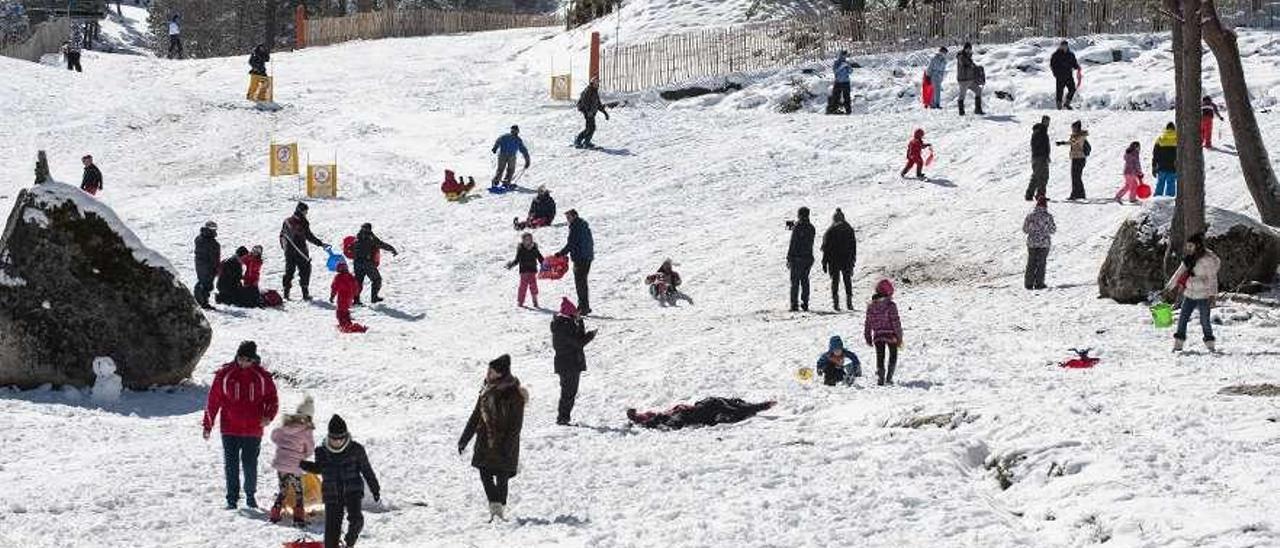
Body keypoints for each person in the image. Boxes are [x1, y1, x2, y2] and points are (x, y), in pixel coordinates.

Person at [202, 341, 279, 509]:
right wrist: (208, 425)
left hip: (253, 429)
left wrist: (268, 416)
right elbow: (213, 401)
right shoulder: (224, 374)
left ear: (254, 360)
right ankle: (232, 498)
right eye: (241, 359)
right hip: (229, 428)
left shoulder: (262, 377)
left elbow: (272, 399)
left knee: (250, 464)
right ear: (236, 357)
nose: (244, 363)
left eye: (248, 360)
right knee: (231, 464)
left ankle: (250, 495)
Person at [457, 355, 527, 522]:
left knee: (502, 476)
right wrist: (464, 439)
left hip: (505, 441)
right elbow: (475, 416)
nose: (488, 373)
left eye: (492, 370)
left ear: (500, 373)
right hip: (485, 441)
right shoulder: (486, 391)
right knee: (484, 472)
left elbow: (515, 426)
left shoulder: (514, 394)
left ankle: (499, 511)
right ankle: (495, 508)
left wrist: (507, 446)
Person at [301, 415, 381, 548]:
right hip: (331, 494)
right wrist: (301, 464)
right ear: (329, 436)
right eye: (334, 438)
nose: (337, 442)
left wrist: (375, 488)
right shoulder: (321, 451)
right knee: (331, 534)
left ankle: (348, 543)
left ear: (346, 436)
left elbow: (367, 470)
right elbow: (319, 468)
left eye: (340, 438)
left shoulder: (356, 449)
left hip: (353, 491)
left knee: (356, 521)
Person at [1164, 233, 1221, 352]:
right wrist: (1168, 288)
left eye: (1191, 246)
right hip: (1189, 294)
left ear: (1198, 246)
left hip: (1204, 295)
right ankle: (1178, 344)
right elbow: (1178, 273)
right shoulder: (1188, 259)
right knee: (1182, 318)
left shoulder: (1207, 260)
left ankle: (1210, 345)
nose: (1188, 248)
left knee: (1204, 321)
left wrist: (1212, 296)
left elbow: (1212, 278)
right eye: (1187, 246)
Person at [268, 395, 315, 525]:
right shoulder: (307, 430)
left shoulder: (285, 426)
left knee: (283, 490)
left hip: (281, 465)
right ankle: (299, 517)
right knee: (298, 492)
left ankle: (275, 514)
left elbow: (274, 436)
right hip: (295, 466)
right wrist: (304, 455)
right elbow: (310, 448)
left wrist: (282, 445)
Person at [551, 298, 596, 425]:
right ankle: (562, 418)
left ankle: (564, 417)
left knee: (570, 392)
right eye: (575, 312)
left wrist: (580, 322)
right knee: (568, 393)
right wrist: (591, 336)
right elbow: (579, 343)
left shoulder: (567, 324)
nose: (577, 313)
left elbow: (579, 338)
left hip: (570, 364)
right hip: (568, 364)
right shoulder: (563, 327)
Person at [279, 202, 328, 300]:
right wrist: (320, 244)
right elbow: (309, 236)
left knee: (289, 271)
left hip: (289, 251)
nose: (306, 213)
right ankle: (305, 294)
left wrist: (284, 248)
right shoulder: (302, 222)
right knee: (305, 270)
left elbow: (281, 236)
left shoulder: (287, 221)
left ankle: (286, 293)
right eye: (305, 211)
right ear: (300, 210)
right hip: (301, 251)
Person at [554, 209, 594, 316]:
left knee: (580, 283)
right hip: (587, 257)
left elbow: (571, 244)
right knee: (582, 283)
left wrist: (560, 254)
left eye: (569, 217)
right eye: (567, 217)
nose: (568, 219)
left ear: (574, 216)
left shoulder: (576, 227)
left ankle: (583, 308)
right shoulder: (583, 225)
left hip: (580, 258)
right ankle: (584, 306)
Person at [863, 279, 903, 386]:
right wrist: (899, 337)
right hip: (891, 335)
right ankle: (889, 378)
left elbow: (868, 323)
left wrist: (868, 336)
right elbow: (896, 322)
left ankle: (881, 377)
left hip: (878, 336)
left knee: (880, 356)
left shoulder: (871, 306)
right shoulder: (891, 306)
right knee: (893, 355)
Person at [351, 222, 398, 305]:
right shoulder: (370, 237)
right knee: (377, 279)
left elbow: (350, 249)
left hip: (357, 263)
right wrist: (392, 249)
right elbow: (381, 244)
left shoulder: (357, 238)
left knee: (358, 282)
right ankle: (374, 298)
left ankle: (356, 300)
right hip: (367, 263)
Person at [820, 208, 857, 311]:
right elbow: (853, 246)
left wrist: (824, 262)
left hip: (833, 260)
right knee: (847, 280)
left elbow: (826, 248)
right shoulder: (849, 229)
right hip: (846, 259)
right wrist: (853, 259)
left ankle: (836, 304)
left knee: (835, 281)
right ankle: (849, 303)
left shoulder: (830, 230)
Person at [1022, 196, 1056, 290]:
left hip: (1032, 243)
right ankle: (1039, 283)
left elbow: (1025, 229)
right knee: (1041, 263)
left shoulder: (1030, 216)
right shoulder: (1048, 216)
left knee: (1031, 262)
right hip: (1044, 243)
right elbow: (1053, 230)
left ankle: (1028, 283)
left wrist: (1033, 232)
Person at [787, 207, 815, 312]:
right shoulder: (812, 227)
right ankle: (805, 303)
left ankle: (794, 305)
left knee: (795, 283)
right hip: (808, 258)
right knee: (805, 281)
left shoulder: (797, 227)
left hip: (797, 258)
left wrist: (789, 257)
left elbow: (793, 243)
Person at [506, 232, 543, 308]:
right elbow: (517, 259)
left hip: (532, 270)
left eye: (529, 239)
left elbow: (539, 257)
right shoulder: (521, 249)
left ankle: (535, 300)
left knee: (534, 286)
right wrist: (511, 264)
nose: (528, 241)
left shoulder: (534, 248)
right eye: (526, 240)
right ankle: (520, 301)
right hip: (524, 271)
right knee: (523, 286)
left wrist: (545, 263)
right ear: (523, 241)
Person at [1056, 120, 1090, 200]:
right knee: (1076, 177)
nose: (1072, 129)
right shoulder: (1077, 135)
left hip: (1079, 158)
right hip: (1077, 158)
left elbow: (1072, 142)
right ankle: (1080, 194)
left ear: (1077, 128)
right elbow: (1072, 142)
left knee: (1076, 177)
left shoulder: (1079, 136)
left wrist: (1062, 143)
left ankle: (1076, 194)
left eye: (1073, 127)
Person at [330, 262, 365, 333]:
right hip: (349, 298)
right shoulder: (351, 276)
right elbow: (356, 286)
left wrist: (332, 296)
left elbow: (334, 287)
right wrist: (355, 295)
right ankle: (347, 321)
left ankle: (344, 324)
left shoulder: (338, 277)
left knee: (340, 311)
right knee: (345, 310)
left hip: (342, 297)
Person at [574, 77, 608, 149]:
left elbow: (598, 104)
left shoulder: (595, 91)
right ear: (592, 83)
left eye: (598, 83)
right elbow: (584, 102)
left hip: (591, 112)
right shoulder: (588, 90)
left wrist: (605, 113)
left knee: (590, 128)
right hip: (587, 112)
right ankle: (579, 140)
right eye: (596, 82)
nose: (597, 84)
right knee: (590, 128)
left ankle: (585, 141)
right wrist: (588, 111)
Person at [193, 221, 220, 310]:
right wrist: (216, 268)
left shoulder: (199, 238)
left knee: (202, 282)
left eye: (215, 228)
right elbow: (214, 257)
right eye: (212, 228)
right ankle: (203, 303)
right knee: (207, 284)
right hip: (208, 266)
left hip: (200, 264)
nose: (214, 230)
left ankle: (198, 300)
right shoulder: (212, 243)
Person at [1049, 41, 1081, 110]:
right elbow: (1052, 65)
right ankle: (1059, 107)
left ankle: (1067, 103)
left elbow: (1074, 63)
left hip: (1069, 75)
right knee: (1060, 91)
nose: (1064, 47)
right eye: (1062, 45)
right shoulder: (1056, 55)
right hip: (1060, 76)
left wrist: (1077, 67)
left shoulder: (1071, 54)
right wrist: (1055, 74)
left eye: (1065, 45)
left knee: (1072, 89)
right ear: (1060, 46)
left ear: (1067, 46)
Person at [1025, 116, 1051, 200]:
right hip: (1040, 157)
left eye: (1048, 122)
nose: (1048, 124)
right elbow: (1040, 145)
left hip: (1038, 157)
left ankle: (1031, 194)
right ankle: (1040, 195)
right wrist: (1044, 155)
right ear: (1043, 121)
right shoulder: (1041, 131)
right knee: (1043, 176)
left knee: (1037, 175)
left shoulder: (1040, 131)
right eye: (1047, 122)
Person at [955, 42, 984, 116]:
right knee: (962, 95)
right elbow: (965, 64)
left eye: (970, 49)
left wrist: (978, 68)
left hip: (970, 80)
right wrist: (971, 65)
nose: (968, 50)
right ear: (964, 49)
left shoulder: (968, 57)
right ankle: (961, 112)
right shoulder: (961, 56)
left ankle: (978, 109)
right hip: (963, 80)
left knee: (978, 90)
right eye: (967, 49)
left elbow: (972, 65)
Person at [1152, 123, 1178, 197]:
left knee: (1160, 183)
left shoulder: (1160, 139)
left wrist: (1154, 166)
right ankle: (1169, 199)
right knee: (1171, 183)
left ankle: (1157, 198)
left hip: (1161, 166)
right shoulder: (1178, 139)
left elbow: (1155, 154)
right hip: (1173, 166)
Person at [831, 50, 853, 115]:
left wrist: (848, 67)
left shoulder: (847, 62)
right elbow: (835, 71)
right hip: (838, 82)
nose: (845, 56)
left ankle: (848, 110)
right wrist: (841, 66)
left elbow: (851, 71)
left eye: (845, 55)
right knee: (836, 96)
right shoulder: (836, 62)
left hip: (846, 82)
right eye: (843, 55)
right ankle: (835, 109)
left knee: (847, 97)